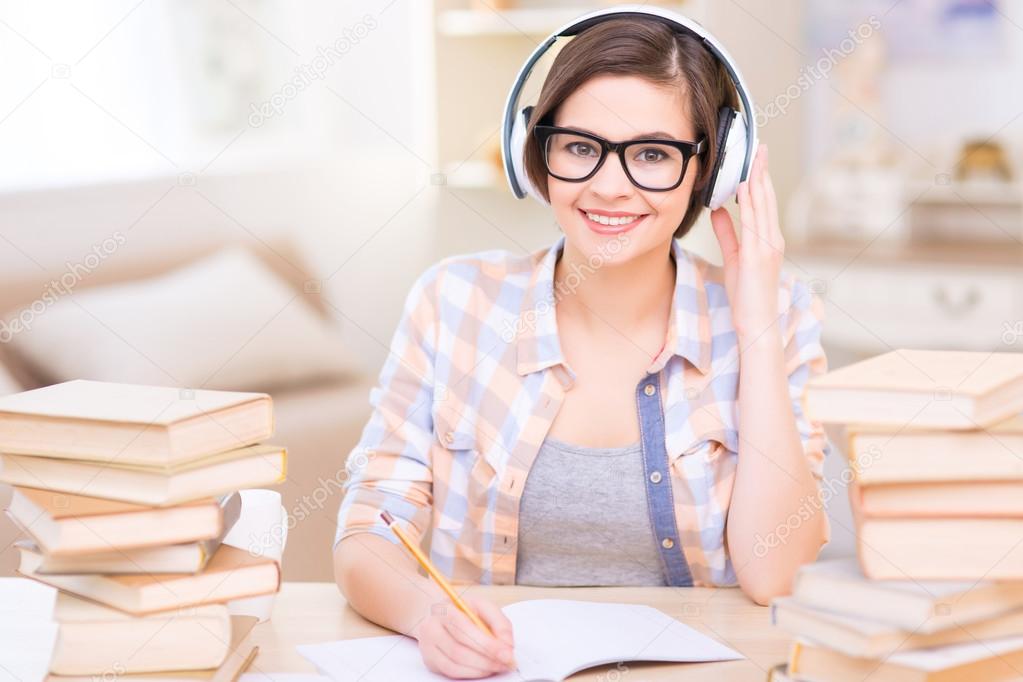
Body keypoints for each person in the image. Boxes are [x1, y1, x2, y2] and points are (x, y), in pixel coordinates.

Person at [333, 13, 830, 680]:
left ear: (711, 168)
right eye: (578, 146)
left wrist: (758, 333)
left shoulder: (778, 314)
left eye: (652, 154)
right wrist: (427, 616)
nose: (608, 185)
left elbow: (776, 574)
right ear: (535, 149)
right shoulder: (453, 302)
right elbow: (369, 535)